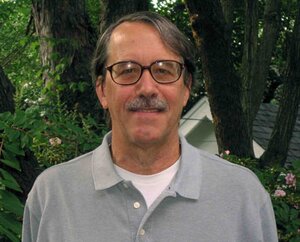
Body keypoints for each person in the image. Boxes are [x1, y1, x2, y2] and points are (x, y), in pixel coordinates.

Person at [22, 11, 278, 242]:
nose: (146, 88)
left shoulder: (243, 196)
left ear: (186, 88)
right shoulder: (52, 195)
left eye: (164, 70)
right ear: (102, 90)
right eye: (127, 70)